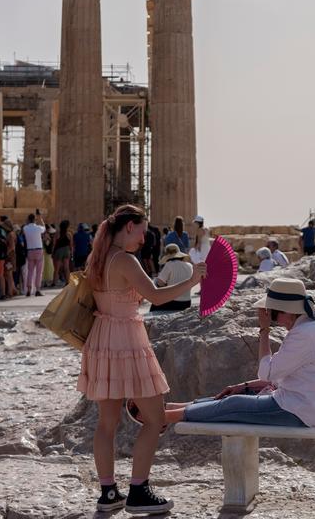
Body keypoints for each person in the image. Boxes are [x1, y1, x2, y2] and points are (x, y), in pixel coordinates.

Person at [77, 205, 206, 514]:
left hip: (101, 338)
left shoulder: (97, 257)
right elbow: (157, 298)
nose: (145, 237)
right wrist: (193, 280)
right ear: (129, 227)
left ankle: (108, 493)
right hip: (126, 340)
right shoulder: (125, 259)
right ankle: (138, 491)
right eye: (143, 229)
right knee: (155, 417)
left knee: (107, 422)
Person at [158, 278, 315, 429]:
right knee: (235, 395)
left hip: (307, 412)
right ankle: (172, 408)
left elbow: (266, 373)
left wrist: (264, 330)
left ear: (288, 311)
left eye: (273, 314)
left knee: (233, 405)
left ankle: (162, 418)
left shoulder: (306, 333)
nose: (274, 320)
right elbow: (288, 375)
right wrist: (245, 385)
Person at [151, 244, 194, 311]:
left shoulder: (169, 265)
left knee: (155, 302)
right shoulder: (189, 265)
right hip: (187, 302)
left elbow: (160, 283)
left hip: (173, 301)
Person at [22, 212, 47, 297]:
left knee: (30, 271)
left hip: (30, 251)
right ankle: (38, 290)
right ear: (34, 220)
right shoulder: (38, 228)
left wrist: (27, 221)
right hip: (39, 250)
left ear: (28, 219)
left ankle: (29, 289)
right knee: (39, 271)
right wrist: (40, 219)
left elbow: (25, 227)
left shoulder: (25, 228)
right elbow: (44, 228)